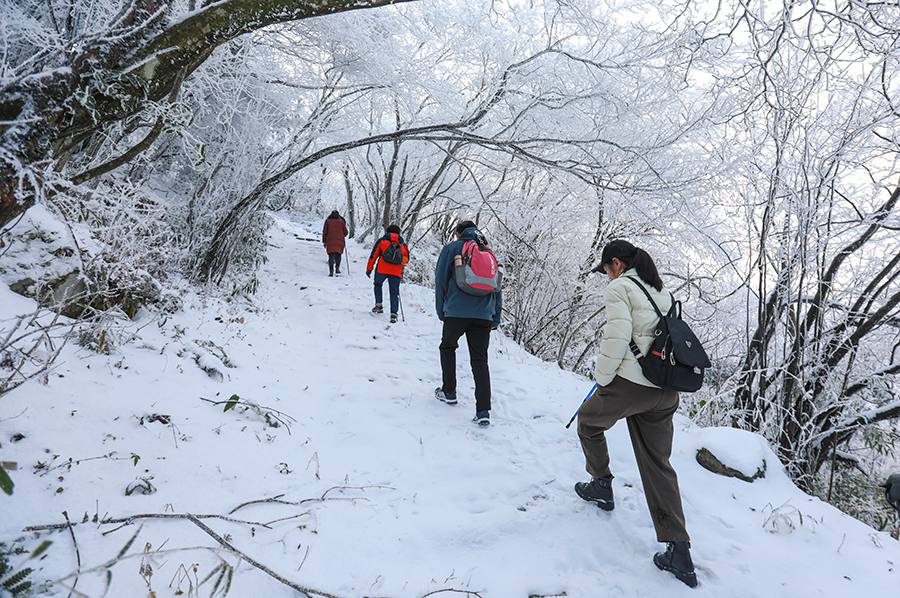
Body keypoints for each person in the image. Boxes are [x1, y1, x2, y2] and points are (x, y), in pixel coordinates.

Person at [575, 239, 697, 588]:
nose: (606, 277)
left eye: (606, 270)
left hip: (631, 385)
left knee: (588, 422)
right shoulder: (662, 291)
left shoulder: (620, 289)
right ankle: (679, 550)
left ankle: (601, 484)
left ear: (616, 264)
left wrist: (602, 379)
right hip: (666, 390)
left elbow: (617, 336)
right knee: (658, 464)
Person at [434, 220, 502, 427]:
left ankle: (449, 391)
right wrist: (495, 317)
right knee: (480, 361)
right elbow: (498, 288)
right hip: (483, 315)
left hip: (456, 311)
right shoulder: (489, 253)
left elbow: (440, 280)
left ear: (458, 233)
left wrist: (441, 310)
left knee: (447, 347)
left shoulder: (453, 248)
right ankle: (483, 411)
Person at [366, 224, 409, 323]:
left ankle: (378, 305)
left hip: (382, 269)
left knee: (377, 284)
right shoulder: (403, 245)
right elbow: (406, 260)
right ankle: (394, 314)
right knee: (394, 291)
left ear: (387, 232)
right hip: (396, 272)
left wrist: (369, 268)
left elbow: (374, 255)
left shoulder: (382, 241)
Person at [322, 210, 348, 277]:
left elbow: (324, 231)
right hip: (340, 241)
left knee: (331, 255)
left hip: (330, 241)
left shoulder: (327, 221)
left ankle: (331, 272)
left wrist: (324, 241)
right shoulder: (341, 221)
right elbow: (346, 232)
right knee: (338, 255)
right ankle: (337, 269)